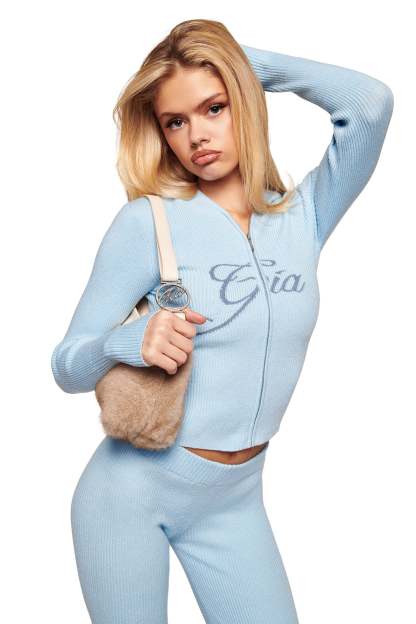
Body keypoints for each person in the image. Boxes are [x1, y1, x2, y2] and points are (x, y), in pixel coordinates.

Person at [50, 18, 394, 624]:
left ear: (243, 100)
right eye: (175, 121)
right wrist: (129, 341)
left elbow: (369, 104)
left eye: (214, 107)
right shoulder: (149, 222)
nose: (197, 135)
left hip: (236, 500)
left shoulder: (304, 215)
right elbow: (67, 365)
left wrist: (239, 61)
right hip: (128, 497)